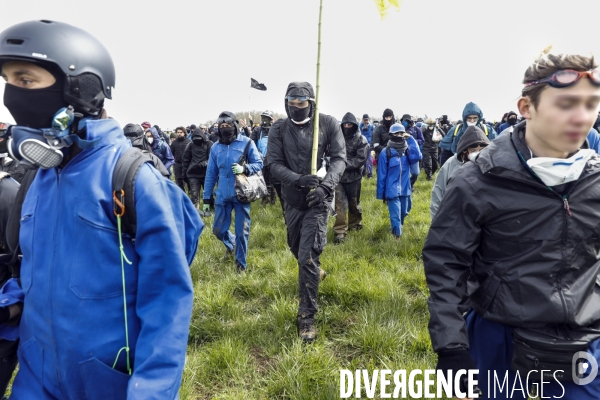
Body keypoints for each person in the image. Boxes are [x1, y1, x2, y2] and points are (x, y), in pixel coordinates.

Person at [0, 19, 204, 399]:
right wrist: (8, 305)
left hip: (108, 386)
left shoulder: (132, 180)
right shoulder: (34, 181)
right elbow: (32, 274)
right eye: (8, 80)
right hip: (34, 383)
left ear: (80, 89)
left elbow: (167, 308)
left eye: (26, 80)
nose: (13, 94)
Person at [423, 48, 600, 399]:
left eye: (591, 103)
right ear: (526, 108)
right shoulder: (478, 181)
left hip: (585, 342)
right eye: (565, 104)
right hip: (500, 341)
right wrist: (451, 346)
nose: (581, 118)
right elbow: (445, 262)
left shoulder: (595, 180)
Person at [266, 81, 346, 342]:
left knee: (307, 257)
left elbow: (338, 159)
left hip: (319, 201)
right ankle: (315, 273)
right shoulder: (279, 128)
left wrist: (325, 187)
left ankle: (306, 317)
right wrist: (298, 179)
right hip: (292, 199)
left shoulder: (327, 123)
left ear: (311, 102)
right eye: (291, 102)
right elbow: (273, 164)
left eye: (301, 102)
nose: (296, 107)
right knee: (295, 247)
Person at [203, 111, 263, 275]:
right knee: (218, 230)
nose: (225, 128)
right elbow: (210, 174)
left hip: (241, 193)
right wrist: (206, 198)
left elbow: (259, 163)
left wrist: (245, 168)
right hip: (222, 194)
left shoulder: (247, 143)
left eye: (228, 125)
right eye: (221, 126)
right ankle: (232, 244)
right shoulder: (215, 148)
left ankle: (240, 266)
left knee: (242, 231)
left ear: (234, 125)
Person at [429, 125, 490, 220]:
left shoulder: (492, 165)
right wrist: (437, 221)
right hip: (456, 218)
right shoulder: (451, 164)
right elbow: (438, 192)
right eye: (473, 150)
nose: (478, 153)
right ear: (465, 150)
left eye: (482, 150)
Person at [376, 123, 421, 239]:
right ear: (391, 135)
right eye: (397, 133)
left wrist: (410, 139)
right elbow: (381, 175)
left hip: (405, 187)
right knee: (395, 213)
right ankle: (397, 236)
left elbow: (418, 156)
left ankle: (398, 226)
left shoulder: (407, 150)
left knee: (405, 211)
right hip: (391, 188)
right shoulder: (385, 153)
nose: (399, 135)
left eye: (401, 133)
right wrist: (382, 194)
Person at [333, 112, 368, 244]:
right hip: (339, 178)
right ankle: (340, 231)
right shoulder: (337, 139)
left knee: (354, 204)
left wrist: (342, 164)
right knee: (340, 205)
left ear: (354, 125)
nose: (347, 126)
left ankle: (355, 223)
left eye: (350, 124)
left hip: (354, 178)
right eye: (345, 124)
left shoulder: (361, 140)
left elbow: (360, 159)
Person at [438, 102, 497, 166]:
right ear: (465, 117)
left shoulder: (487, 130)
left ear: (479, 118)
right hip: (459, 167)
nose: (472, 121)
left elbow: (495, 150)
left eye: (475, 118)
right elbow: (446, 154)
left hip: (482, 166)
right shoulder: (456, 130)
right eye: (469, 118)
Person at [183, 127, 213, 210]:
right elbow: (186, 160)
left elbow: (213, 158)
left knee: (208, 194)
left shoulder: (209, 144)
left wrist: (205, 163)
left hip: (206, 173)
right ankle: (195, 211)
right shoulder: (190, 145)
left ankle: (211, 209)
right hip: (193, 173)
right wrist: (184, 174)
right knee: (194, 195)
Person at [170, 126, 192, 191]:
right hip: (178, 164)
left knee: (188, 179)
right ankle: (182, 194)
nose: (179, 134)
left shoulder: (189, 142)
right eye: (178, 132)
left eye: (181, 132)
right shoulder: (174, 143)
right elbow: (171, 153)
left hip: (187, 164)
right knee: (179, 180)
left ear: (184, 133)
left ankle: (191, 193)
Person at [359, 114, 374, 179]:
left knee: (369, 159)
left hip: (369, 145)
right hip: (362, 145)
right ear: (363, 119)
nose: (366, 121)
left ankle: (369, 174)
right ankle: (363, 172)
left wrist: (372, 144)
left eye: (367, 120)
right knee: (362, 159)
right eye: (364, 120)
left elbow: (374, 135)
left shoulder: (371, 127)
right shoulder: (360, 126)